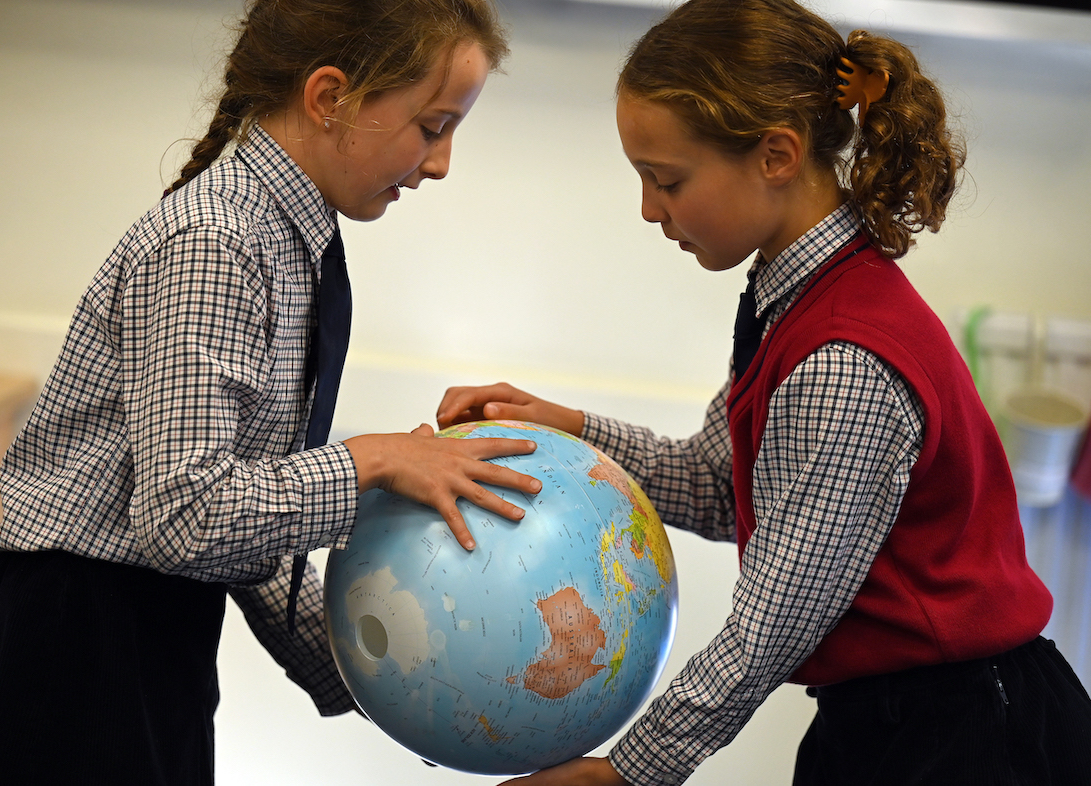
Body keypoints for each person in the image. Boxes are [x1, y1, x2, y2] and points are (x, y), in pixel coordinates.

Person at [436, 0, 1091, 784]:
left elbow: (773, 623)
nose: (648, 209)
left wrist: (630, 771)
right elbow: (721, 488)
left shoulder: (842, 358)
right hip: (885, 720)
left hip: (964, 735)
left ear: (776, 155)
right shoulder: (791, 300)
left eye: (666, 179)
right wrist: (567, 430)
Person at [0, 1, 546, 783]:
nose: (441, 162)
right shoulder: (216, 241)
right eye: (432, 126)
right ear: (330, 97)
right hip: (70, 670)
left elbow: (241, 520)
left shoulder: (287, 237)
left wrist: (382, 683)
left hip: (150, 651)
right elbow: (186, 518)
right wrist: (371, 463)